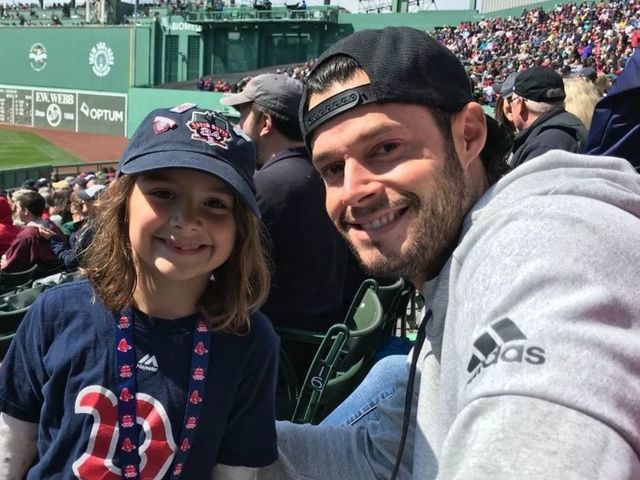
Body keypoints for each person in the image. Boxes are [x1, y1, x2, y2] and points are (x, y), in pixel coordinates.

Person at [258, 26, 640, 480]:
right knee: (395, 377)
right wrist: (220, 440)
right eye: (333, 169)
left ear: (469, 135)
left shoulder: (542, 244)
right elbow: (385, 459)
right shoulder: (453, 259)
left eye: (385, 148)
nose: (354, 191)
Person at [0, 106, 279, 479]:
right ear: (123, 205)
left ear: (240, 228)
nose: (187, 219)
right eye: (164, 193)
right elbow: (12, 445)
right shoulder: (56, 312)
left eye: (215, 203)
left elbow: (234, 472)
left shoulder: (251, 341)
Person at [221, 74, 357, 333]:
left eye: (243, 116)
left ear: (265, 122)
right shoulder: (329, 175)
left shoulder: (268, 184)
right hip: (323, 333)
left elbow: (227, 275)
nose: (239, 125)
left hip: (282, 343)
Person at [508, 66, 588, 169]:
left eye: (512, 101)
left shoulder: (544, 147)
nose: (510, 108)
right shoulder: (566, 128)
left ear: (520, 104)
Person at [39, 185, 105, 270]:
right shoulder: (100, 222)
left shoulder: (93, 227)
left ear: (98, 203)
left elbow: (71, 261)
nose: (83, 201)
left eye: (87, 199)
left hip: (92, 277)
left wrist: (54, 240)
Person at [0, 190, 62, 273]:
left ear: (26, 211)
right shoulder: (52, 226)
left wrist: (4, 261)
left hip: (33, 280)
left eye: (17, 207)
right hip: (54, 274)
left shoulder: (27, 235)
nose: (15, 210)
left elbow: (9, 265)